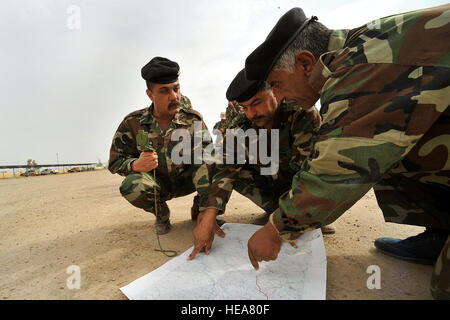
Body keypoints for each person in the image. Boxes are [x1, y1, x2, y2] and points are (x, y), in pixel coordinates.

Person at [244, 6, 450, 299]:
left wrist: (276, 228)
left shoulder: (361, 66)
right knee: (389, 145)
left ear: (304, 63)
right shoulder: (357, 50)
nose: (278, 96)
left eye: (276, 84)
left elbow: (336, 167)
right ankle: (441, 232)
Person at [188, 68, 335, 260]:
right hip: (270, 184)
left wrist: (284, 224)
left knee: (313, 200)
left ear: (274, 91)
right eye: (245, 107)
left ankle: (298, 216)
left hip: (300, 186)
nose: (251, 114)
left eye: (256, 103)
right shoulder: (240, 126)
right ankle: (277, 211)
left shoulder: (301, 114)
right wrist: (209, 215)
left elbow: (310, 173)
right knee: (218, 160)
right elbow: (226, 171)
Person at [108, 57, 213, 235]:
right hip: (158, 185)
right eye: (164, 91)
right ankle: (162, 215)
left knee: (218, 162)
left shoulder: (192, 119)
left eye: (176, 88)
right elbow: (114, 162)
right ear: (150, 95)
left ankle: (201, 210)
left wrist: (208, 208)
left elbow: (210, 157)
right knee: (131, 185)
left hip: (188, 181)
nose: (174, 96)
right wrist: (135, 165)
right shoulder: (133, 123)